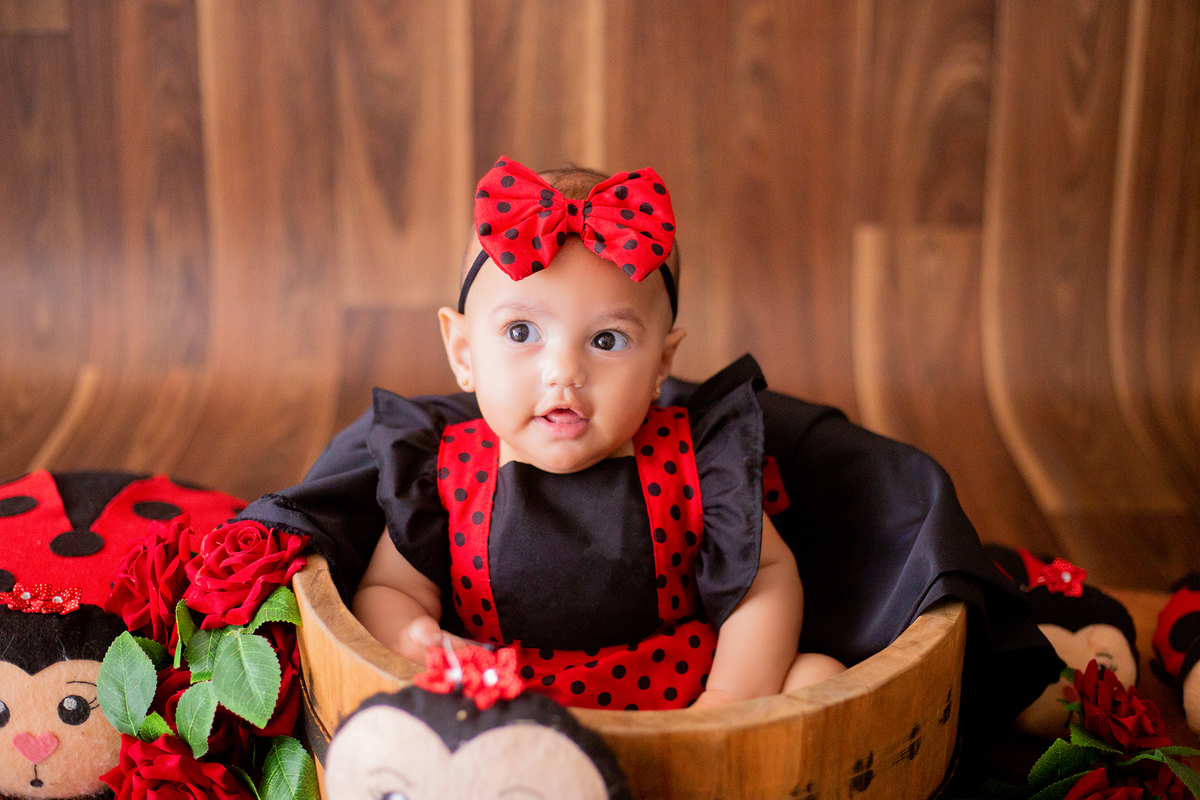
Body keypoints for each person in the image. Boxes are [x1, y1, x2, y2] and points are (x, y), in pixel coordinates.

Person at [345, 156, 844, 711]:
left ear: (661, 363)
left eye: (606, 341)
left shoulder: (697, 461)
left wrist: (727, 700)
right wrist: (415, 638)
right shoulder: (443, 471)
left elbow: (765, 582)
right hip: (507, 713)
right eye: (521, 331)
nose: (564, 371)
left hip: (678, 706)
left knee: (818, 677)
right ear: (464, 354)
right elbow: (390, 590)